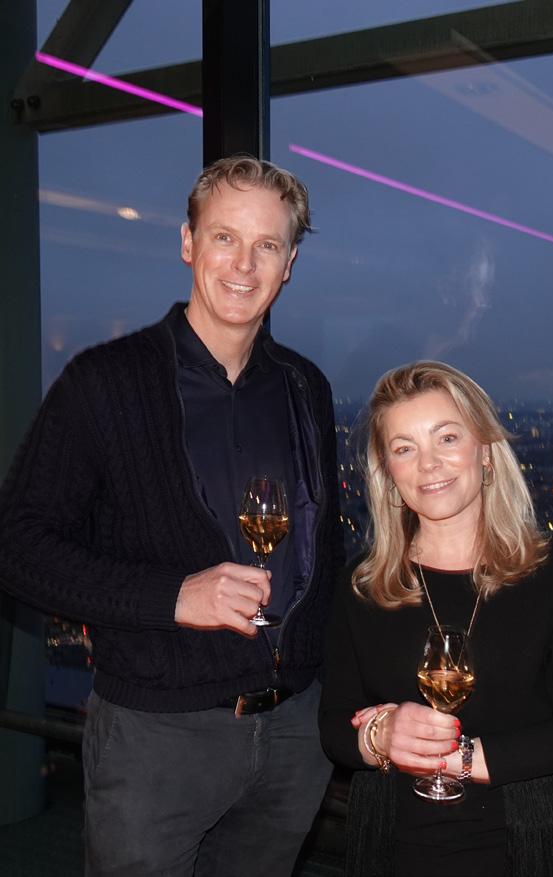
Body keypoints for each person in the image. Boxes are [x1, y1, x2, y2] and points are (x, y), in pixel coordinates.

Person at [0, 156, 342, 876]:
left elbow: (327, 553)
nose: (244, 264)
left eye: (267, 245)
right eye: (225, 237)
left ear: (289, 265)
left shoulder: (305, 386)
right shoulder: (104, 382)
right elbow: (18, 547)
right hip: (158, 738)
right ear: (188, 243)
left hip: (293, 737)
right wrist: (174, 596)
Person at [319, 361, 553, 877]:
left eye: (447, 438)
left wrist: (458, 759)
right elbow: (333, 725)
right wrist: (379, 738)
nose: (429, 464)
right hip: (391, 852)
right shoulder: (362, 586)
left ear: (484, 451)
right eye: (404, 448)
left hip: (523, 852)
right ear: (388, 473)